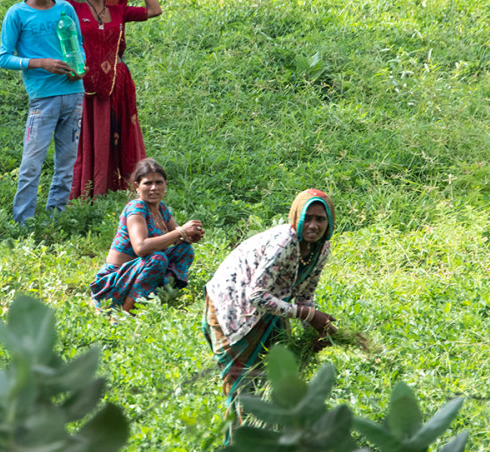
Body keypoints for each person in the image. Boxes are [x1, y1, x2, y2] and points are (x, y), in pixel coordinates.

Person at [202, 189, 339, 429]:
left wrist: (315, 330)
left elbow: (305, 294)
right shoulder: (284, 243)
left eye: (320, 219)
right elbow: (256, 295)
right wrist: (309, 315)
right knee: (243, 382)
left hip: (270, 304)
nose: (314, 225)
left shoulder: (321, 249)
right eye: (308, 217)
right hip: (233, 305)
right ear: (296, 217)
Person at [54, 0, 162, 199]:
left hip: (117, 83)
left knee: (117, 134)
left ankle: (116, 188)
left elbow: (154, 10)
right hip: (84, 84)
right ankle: (88, 190)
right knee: (88, 138)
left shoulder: (119, 11)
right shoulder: (73, 8)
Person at [0, 0, 86, 224]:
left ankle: (56, 219)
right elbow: (4, 58)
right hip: (42, 100)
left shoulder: (65, 9)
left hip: (73, 94)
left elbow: (78, 45)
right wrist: (40, 63)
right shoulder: (17, 14)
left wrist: (78, 68)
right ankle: (22, 222)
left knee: (66, 164)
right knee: (31, 164)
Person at [90, 158, 204, 312]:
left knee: (185, 250)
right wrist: (181, 231)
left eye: (159, 183)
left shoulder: (161, 209)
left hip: (143, 270)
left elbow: (179, 238)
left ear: (165, 185)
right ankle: (125, 312)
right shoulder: (136, 208)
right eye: (148, 183)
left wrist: (189, 235)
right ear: (137, 186)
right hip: (117, 277)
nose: (154, 188)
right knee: (157, 259)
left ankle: (155, 300)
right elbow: (141, 248)